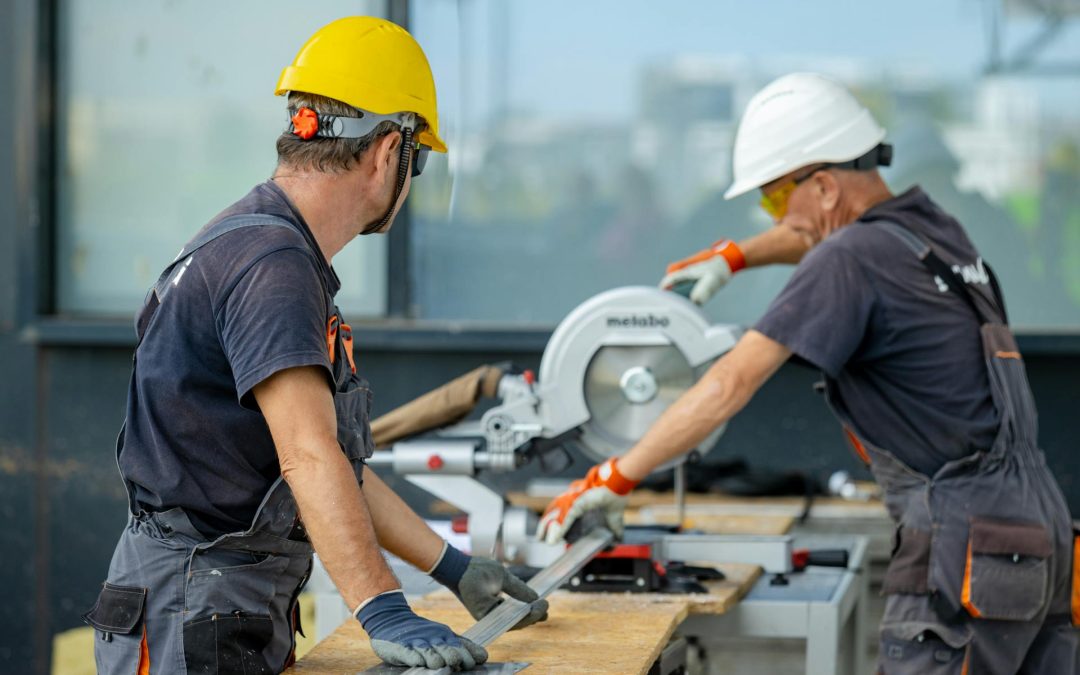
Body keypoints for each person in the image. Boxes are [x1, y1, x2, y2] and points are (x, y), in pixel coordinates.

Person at [539, 72, 1078, 673]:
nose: (772, 215)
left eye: (771, 199)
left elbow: (728, 384)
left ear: (822, 185)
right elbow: (817, 236)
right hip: (1041, 537)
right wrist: (736, 255)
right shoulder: (932, 233)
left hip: (966, 553)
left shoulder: (849, 260)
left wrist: (613, 477)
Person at [84, 17, 545, 674]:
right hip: (191, 605)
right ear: (389, 151)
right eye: (417, 159)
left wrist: (454, 567)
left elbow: (333, 465)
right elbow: (308, 455)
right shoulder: (272, 265)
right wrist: (382, 608)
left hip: (212, 598)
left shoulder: (258, 242)